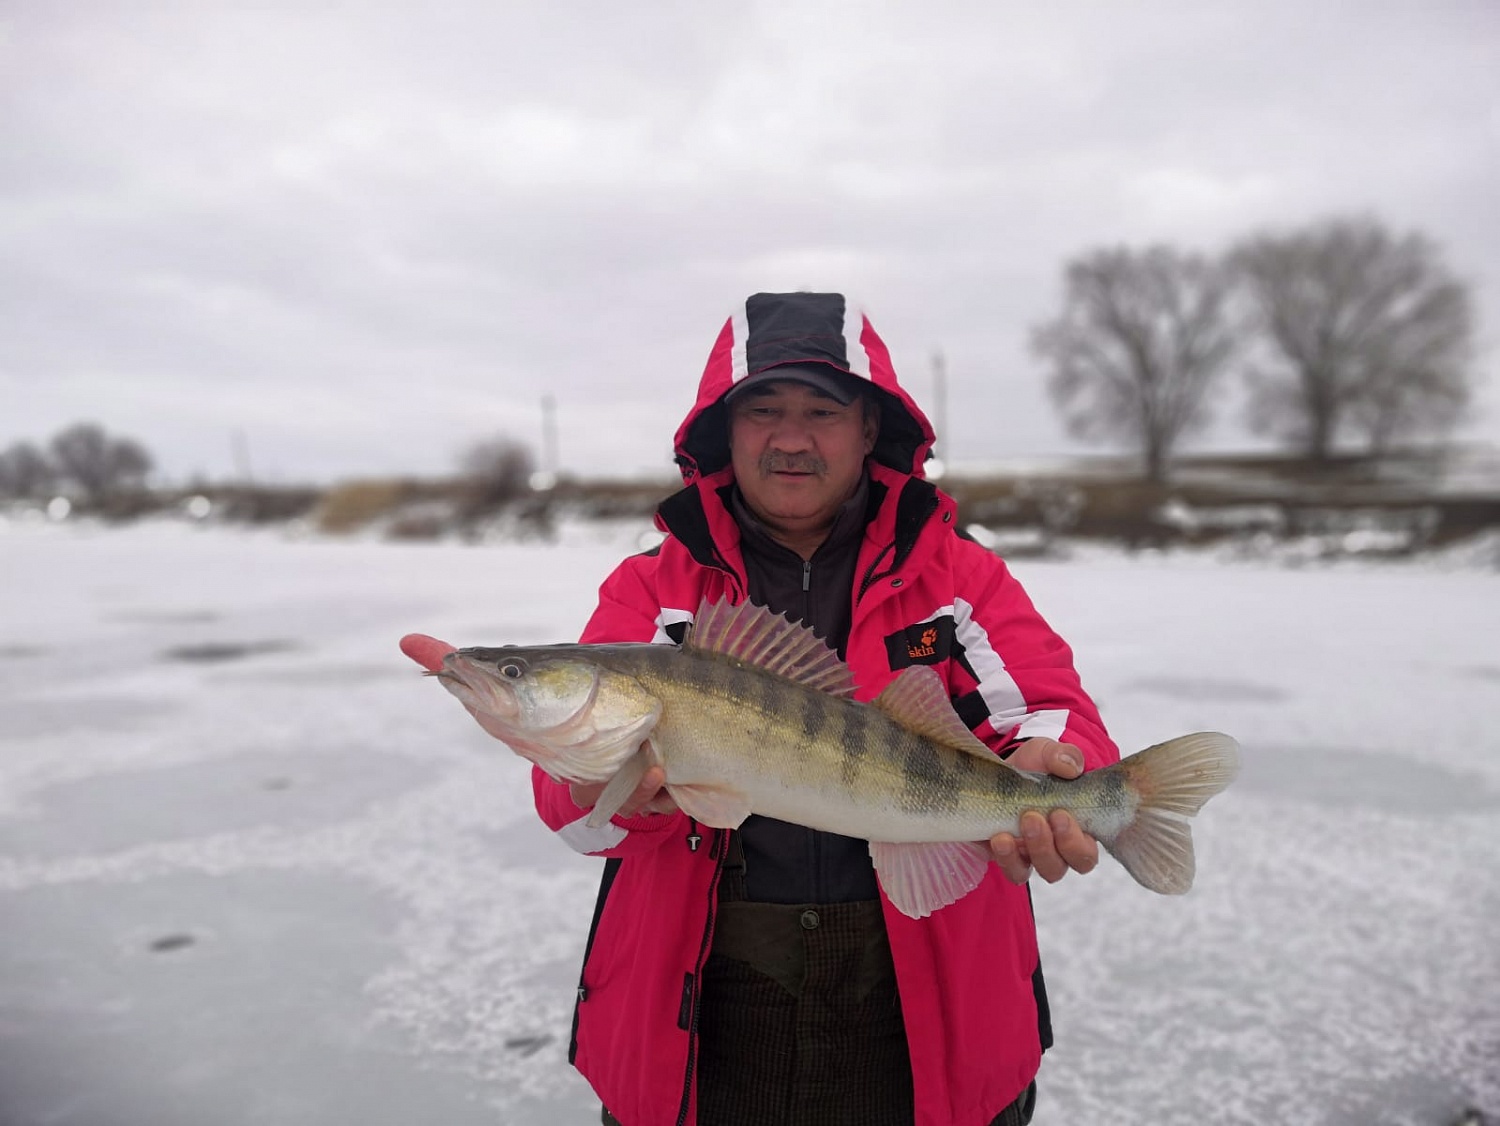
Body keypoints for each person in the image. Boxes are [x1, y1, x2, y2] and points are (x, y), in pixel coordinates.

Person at [529, 292, 1119, 1126]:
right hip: (707, 1008)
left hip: (926, 999)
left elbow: (1050, 710)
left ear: (870, 429)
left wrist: (1054, 763)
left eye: (822, 410)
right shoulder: (653, 593)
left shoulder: (957, 578)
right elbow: (569, 810)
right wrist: (616, 794)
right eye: (763, 409)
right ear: (724, 433)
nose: (792, 437)